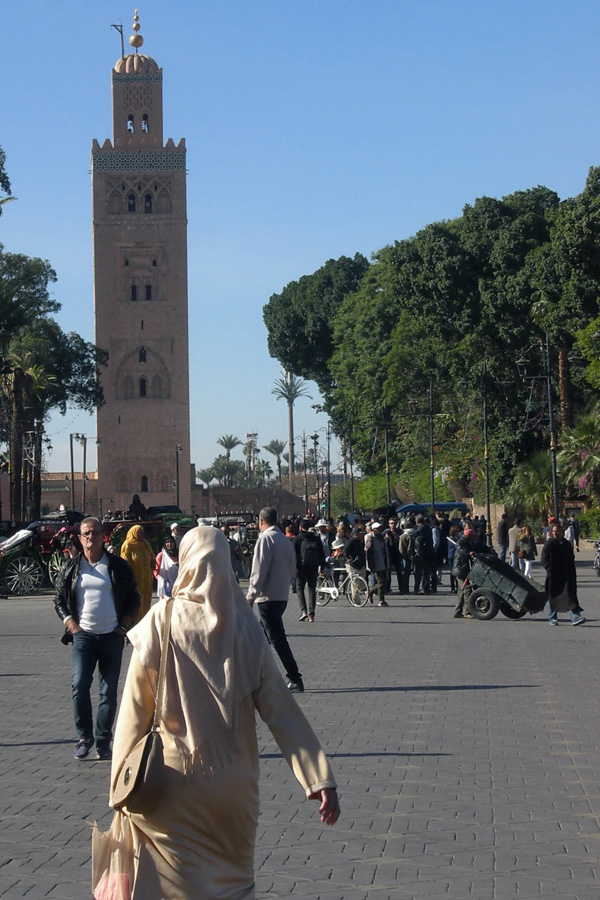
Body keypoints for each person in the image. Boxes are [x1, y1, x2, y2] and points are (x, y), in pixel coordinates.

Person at [104, 526, 340, 899]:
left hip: (170, 784)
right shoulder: (247, 629)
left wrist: (120, 786)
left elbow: (133, 714)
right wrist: (319, 779)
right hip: (234, 789)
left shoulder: (159, 623)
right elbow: (281, 711)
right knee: (232, 886)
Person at [53, 516, 140, 760]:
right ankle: (84, 737)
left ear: (103, 536)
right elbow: (59, 598)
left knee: (108, 692)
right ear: (80, 539)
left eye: (95, 533)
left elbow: (134, 597)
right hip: (84, 638)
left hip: (112, 636)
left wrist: (123, 627)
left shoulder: (118, 566)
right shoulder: (71, 568)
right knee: (79, 685)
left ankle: (103, 741)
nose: (91, 537)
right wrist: (71, 624)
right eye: (86, 534)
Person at [246, 507, 303, 692]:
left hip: (267, 597)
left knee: (276, 638)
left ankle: (294, 676)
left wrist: (251, 594)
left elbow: (259, 569)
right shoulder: (284, 540)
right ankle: (253, 675)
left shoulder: (265, 539)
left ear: (261, 521)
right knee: (261, 638)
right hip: (281, 595)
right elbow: (292, 568)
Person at [540, 522, 586, 625]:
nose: (556, 533)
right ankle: (552, 617)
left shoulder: (566, 544)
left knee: (570, 595)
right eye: (554, 531)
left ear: (562, 532)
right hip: (553, 576)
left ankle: (575, 617)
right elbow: (544, 559)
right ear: (551, 532)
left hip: (566, 576)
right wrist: (550, 570)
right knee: (553, 596)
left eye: (558, 531)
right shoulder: (549, 544)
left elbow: (571, 559)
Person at [120, 525, 156, 622]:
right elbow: (125, 562)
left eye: (143, 532)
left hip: (147, 578)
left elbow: (152, 557)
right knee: (137, 601)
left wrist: (153, 561)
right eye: (139, 532)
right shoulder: (128, 545)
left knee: (146, 601)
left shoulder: (145, 544)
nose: (142, 535)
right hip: (136, 578)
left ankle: (145, 621)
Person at [294, 517, 326, 622]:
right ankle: (311, 615)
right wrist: (322, 567)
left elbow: (293, 554)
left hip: (301, 567)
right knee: (312, 589)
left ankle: (303, 611)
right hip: (313, 567)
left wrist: (294, 567)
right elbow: (322, 553)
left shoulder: (298, 538)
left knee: (300, 589)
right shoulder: (316, 538)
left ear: (301, 527)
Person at [452, 527, 488, 618]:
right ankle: (467, 612)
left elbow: (477, 547)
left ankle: (457, 611)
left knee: (461, 592)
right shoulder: (461, 543)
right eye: (473, 537)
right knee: (467, 590)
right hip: (460, 570)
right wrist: (469, 553)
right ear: (469, 537)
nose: (474, 538)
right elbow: (461, 550)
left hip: (464, 570)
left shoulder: (468, 543)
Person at [365, 521, 389, 606]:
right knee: (381, 581)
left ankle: (380, 599)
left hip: (383, 562)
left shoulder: (381, 538)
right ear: (374, 529)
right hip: (376, 563)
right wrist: (371, 564)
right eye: (377, 529)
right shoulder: (370, 538)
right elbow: (368, 552)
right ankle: (373, 594)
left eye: (380, 528)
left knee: (383, 581)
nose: (379, 530)